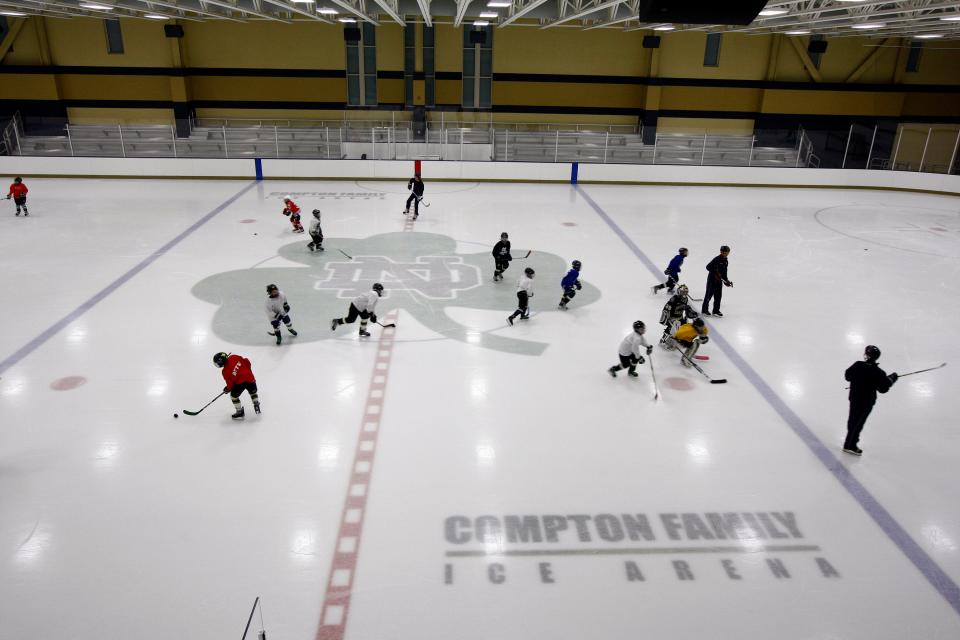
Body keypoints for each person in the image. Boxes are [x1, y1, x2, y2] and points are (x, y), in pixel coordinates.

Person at [843, 345, 898, 456]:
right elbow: (883, 388)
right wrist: (891, 379)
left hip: (854, 398)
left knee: (852, 419)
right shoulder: (879, 373)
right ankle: (850, 445)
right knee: (858, 423)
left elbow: (847, 376)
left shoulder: (858, 365)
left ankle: (848, 443)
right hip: (866, 402)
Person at [213, 351, 259, 420]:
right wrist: (247, 371)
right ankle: (256, 404)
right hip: (250, 378)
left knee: (233, 396)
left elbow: (230, 384)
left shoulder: (225, 371)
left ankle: (239, 411)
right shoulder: (233, 356)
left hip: (240, 383)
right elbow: (247, 361)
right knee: (253, 392)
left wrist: (227, 389)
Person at [702, 245, 732, 317]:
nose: (726, 253)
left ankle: (716, 310)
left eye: (727, 252)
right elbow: (708, 267)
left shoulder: (725, 261)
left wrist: (726, 280)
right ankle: (704, 310)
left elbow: (724, 272)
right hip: (712, 280)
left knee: (718, 296)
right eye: (724, 252)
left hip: (719, 281)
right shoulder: (717, 259)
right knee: (709, 295)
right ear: (721, 252)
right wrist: (715, 273)